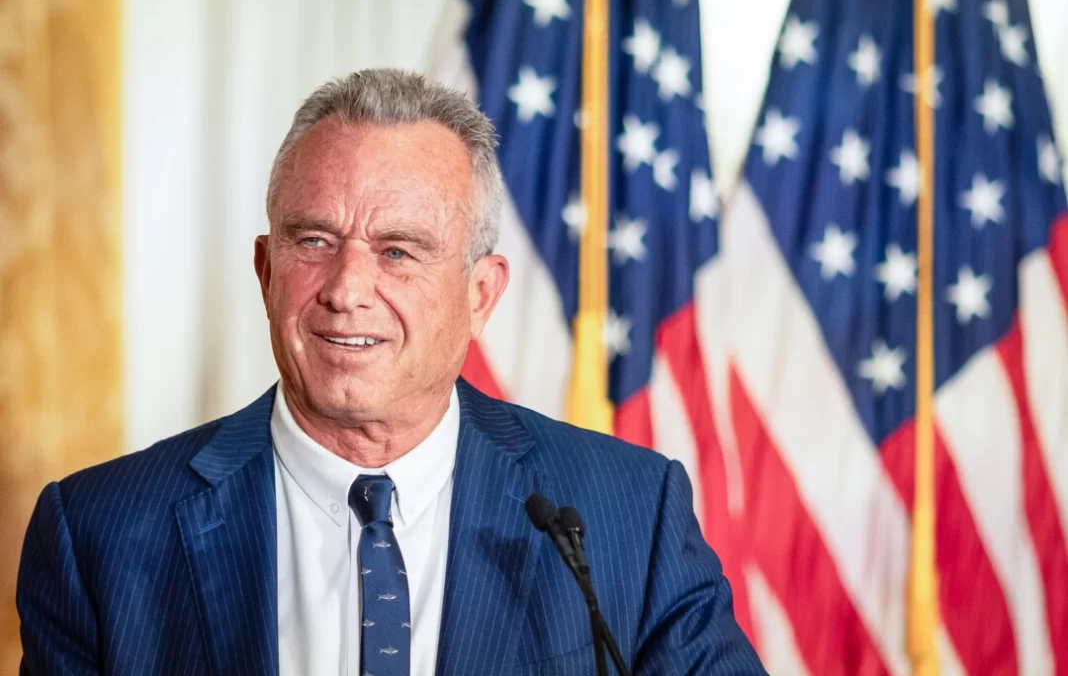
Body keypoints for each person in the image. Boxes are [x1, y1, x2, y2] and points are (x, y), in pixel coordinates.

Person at [17, 69, 765, 676]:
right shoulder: (99, 536)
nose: (346, 289)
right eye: (313, 240)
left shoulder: (627, 514)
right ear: (265, 269)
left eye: (398, 251)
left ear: (481, 295)